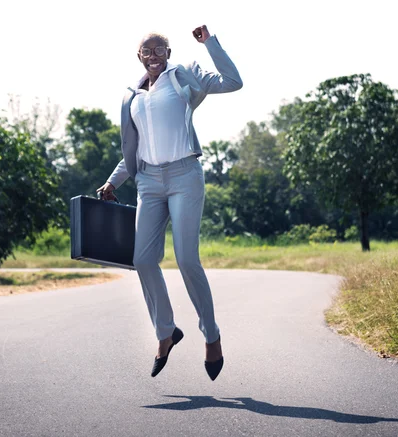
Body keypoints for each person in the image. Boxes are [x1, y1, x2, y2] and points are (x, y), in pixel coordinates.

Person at [97, 25, 242, 381]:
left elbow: (232, 80)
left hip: (184, 177)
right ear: (139, 56)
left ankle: (211, 334)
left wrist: (210, 43)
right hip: (148, 181)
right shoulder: (131, 97)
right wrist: (114, 181)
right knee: (142, 259)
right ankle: (166, 332)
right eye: (148, 51)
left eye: (161, 49)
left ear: (169, 54)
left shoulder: (183, 78)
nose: (154, 55)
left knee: (187, 258)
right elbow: (134, 149)